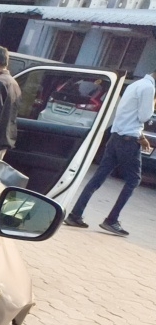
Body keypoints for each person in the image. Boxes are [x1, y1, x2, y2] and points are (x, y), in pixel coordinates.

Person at [65, 68, 156, 237]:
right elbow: (144, 117)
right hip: (128, 140)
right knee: (133, 180)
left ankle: (75, 215)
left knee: (99, 177)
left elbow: (129, 116)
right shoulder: (149, 89)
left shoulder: (136, 84)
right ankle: (112, 220)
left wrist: (141, 136)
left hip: (116, 136)